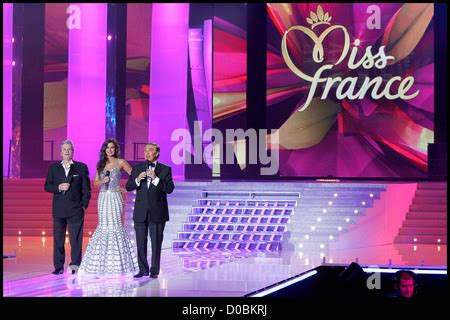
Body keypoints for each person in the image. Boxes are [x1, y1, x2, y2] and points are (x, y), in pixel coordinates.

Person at [78, 138, 138, 276]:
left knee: (115, 225)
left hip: (115, 197)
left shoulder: (121, 162)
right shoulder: (101, 164)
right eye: (108, 148)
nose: (110, 150)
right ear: (104, 150)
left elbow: (134, 175)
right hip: (103, 198)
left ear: (115, 149)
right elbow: (95, 183)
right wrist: (102, 181)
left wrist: (126, 189)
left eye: (112, 147)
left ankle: (118, 263)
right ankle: (101, 263)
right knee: (103, 226)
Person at [126, 143, 174, 278]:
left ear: (157, 153)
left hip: (158, 213)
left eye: (150, 150)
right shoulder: (137, 168)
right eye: (145, 150)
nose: (147, 153)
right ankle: (143, 269)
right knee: (140, 242)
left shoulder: (165, 169)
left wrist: (156, 179)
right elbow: (128, 186)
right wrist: (137, 179)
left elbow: (169, 189)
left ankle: (154, 270)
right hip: (140, 212)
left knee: (156, 243)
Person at [45, 140, 91, 275]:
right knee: (58, 240)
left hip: (76, 210)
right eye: (64, 149)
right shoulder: (54, 168)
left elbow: (86, 189)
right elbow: (47, 186)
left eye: (69, 149)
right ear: (61, 152)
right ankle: (58, 266)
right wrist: (58, 187)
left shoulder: (81, 167)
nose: (67, 151)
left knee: (75, 240)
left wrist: (84, 205)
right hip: (59, 210)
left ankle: (75, 265)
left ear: (73, 152)